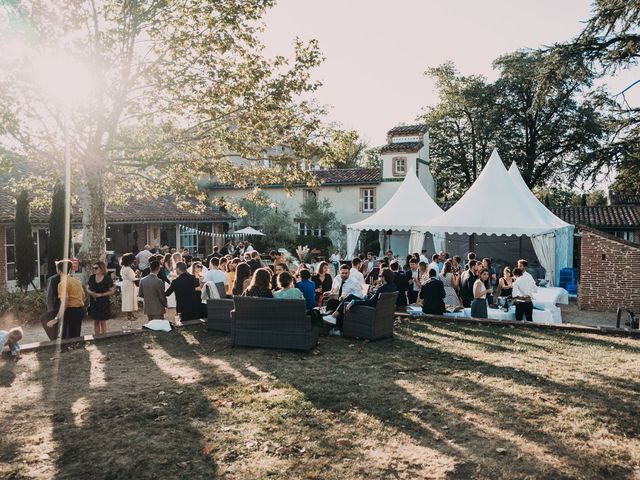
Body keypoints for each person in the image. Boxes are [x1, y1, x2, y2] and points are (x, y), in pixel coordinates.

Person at [323, 269, 398, 337]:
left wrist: (354, 302)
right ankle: (334, 318)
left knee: (348, 300)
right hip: (379, 310)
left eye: (380, 276)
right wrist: (372, 293)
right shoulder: (393, 287)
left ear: (384, 278)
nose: (379, 277)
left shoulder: (382, 288)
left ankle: (334, 317)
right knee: (350, 296)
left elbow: (369, 302)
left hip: (369, 310)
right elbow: (375, 299)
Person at [47, 260, 86, 339]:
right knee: (76, 337)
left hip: (69, 312)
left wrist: (56, 318)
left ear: (58, 270)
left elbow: (64, 303)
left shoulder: (62, 284)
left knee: (66, 339)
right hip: (79, 311)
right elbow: (83, 297)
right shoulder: (77, 281)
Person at [87, 261, 115, 335]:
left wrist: (101, 294)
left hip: (103, 302)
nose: (94, 269)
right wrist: (91, 293)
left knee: (103, 321)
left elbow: (112, 291)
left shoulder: (107, 278)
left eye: (96, 268)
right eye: (93, 268)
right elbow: (87, 288)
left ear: (101, 268)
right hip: (94, 302)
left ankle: (103, 337)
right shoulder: (92, 277)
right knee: (96, 321)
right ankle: (97, 337)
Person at [40, 270, 61, 340]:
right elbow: (49, 295)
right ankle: (54, 338)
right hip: (56, 306)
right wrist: (50, 309)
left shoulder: (69, 278)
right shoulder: (52, 279)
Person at [120, 253, 139, 322]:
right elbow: (133, 278)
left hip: (125, 284)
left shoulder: (123, 267)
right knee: (129, 299)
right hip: (129, 285)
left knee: (127, 299)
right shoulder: (128, 269)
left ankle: (130, 314)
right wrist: (137, 275)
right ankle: (129, 315)